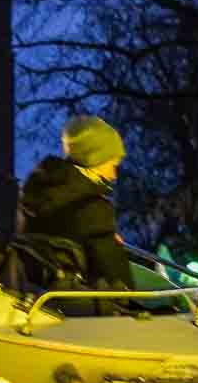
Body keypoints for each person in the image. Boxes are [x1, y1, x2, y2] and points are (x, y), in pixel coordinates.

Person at [18, 115, 132, 295]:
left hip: (39, 298)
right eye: (112, 165)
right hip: (84, 309)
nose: (113, 175)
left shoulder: (35, 196)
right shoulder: (93, 208)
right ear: (94, 159)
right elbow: (117, 278)